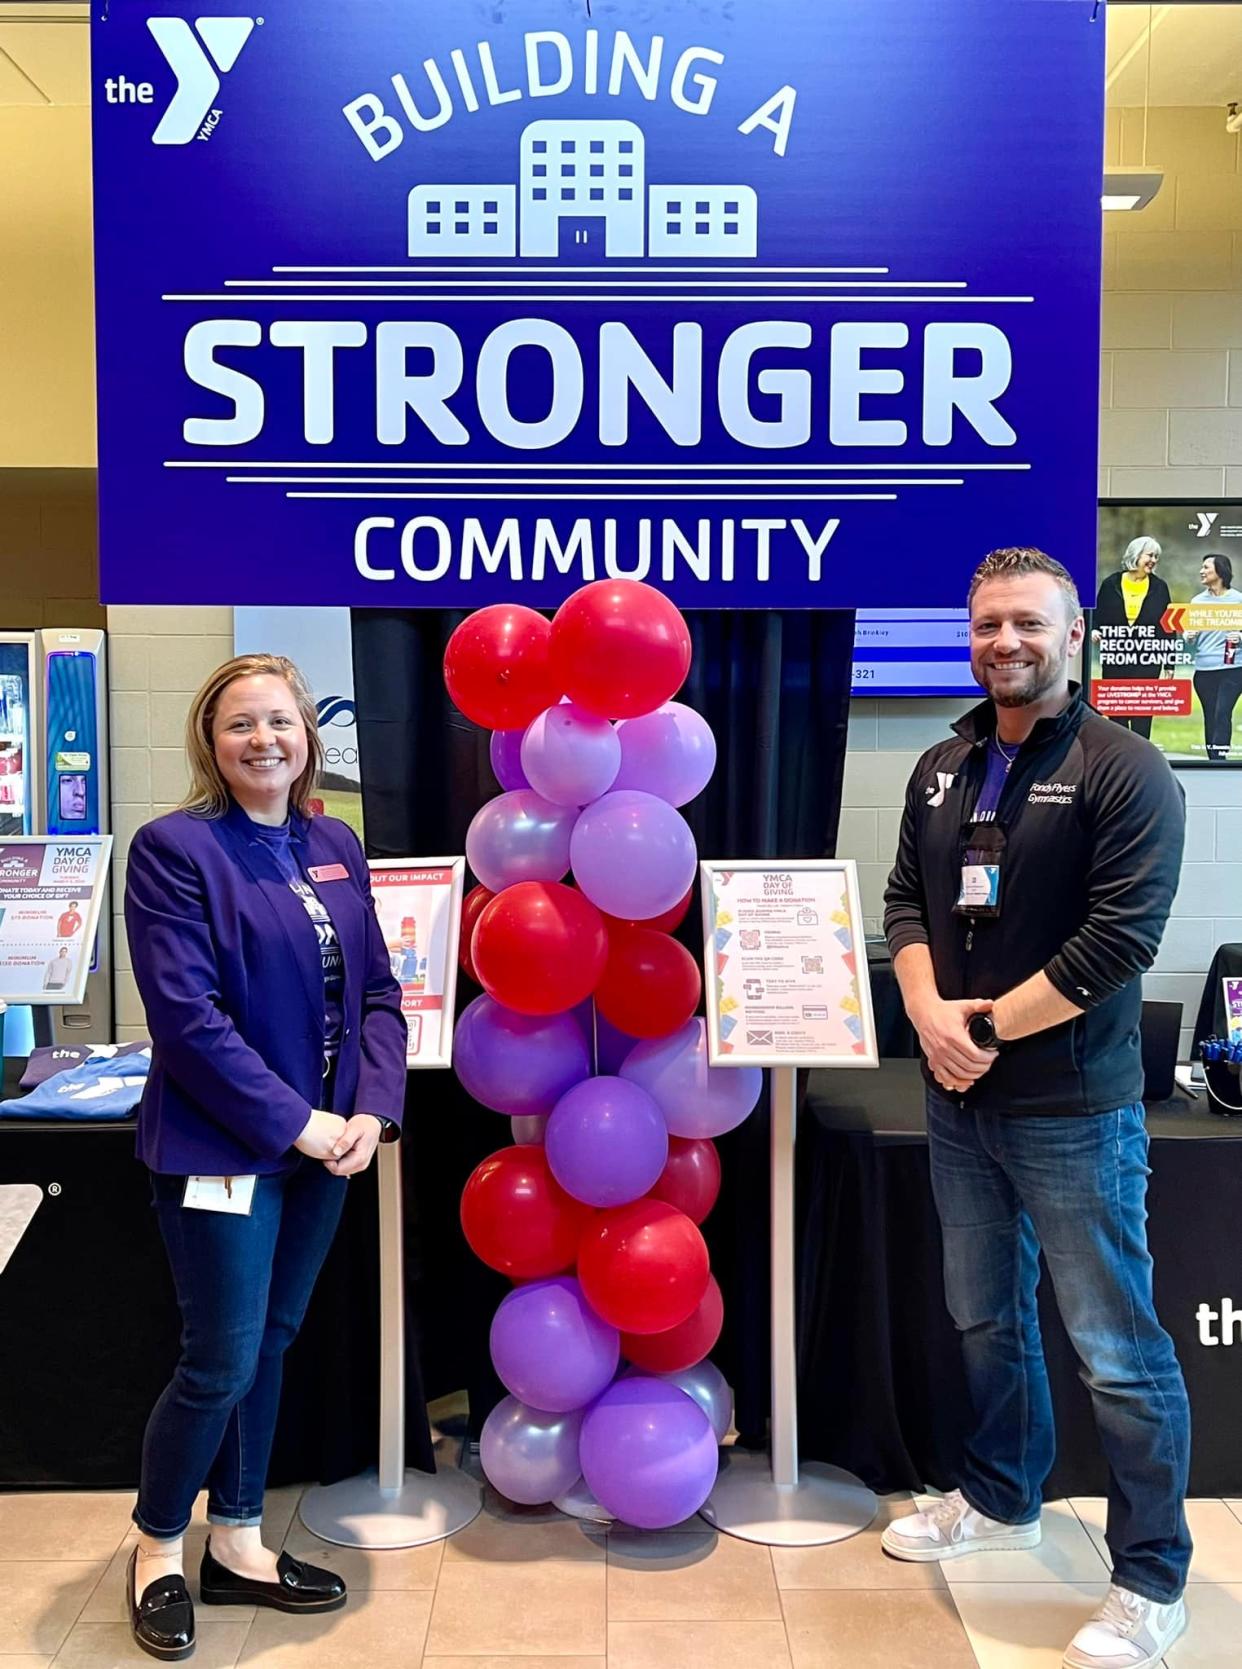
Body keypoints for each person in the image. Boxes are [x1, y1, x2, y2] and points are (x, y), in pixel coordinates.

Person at [881, 548, 1190, 1669]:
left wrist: (984, 1028)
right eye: (987, 625)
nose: (1004, 642)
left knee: (1116, 1348)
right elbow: (908, 900)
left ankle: (1153, 1580)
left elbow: (1120, 941)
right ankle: (1001, 1495)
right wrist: (926, 1012)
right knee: (986, 1317)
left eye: (1027, 624)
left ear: (1073, 635)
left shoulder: (1128, 769)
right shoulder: (942, 762)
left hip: (1071, 1108)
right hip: (959, 1100)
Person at [123, 653, 407, 1663]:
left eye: (279, 722)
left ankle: (237, 1540)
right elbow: (188, 1020)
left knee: (274, 1344)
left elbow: (377, 992)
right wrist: (300, 1122)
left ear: (308, 735)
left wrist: (371, 1110)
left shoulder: (333, 842)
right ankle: (158, 1547)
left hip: (327, 1145)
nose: (263, 741)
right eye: (240, 725)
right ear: (211, 741)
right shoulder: (173, 850)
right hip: (227, 1150)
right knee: (219, 1362)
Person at [1092, 535, 1174, 740]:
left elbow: (1168, 627)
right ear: (1136, 555)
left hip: (1147, 659)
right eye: (1150, 555)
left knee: (1142, 713)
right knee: (1117, 711)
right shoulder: (1111, 583)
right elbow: (1097, 614)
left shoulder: (1160, 587)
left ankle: (1142, 760)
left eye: (1156, 557)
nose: (1153, 560)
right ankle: (1119, 758)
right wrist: (1094, 630)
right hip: (1116, 658)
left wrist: (1169, 663)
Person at [1182, 553, 1242, 763]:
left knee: (1222, 712)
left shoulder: (1238, 600)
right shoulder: (1197, 601)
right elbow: (1188, 634)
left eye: (1206, 567)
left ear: (1220, 571)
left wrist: (1240, 636)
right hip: (1204, 670)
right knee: (1210, 715)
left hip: (1233, 668)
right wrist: (1188, 635)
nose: (1202, 571)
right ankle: (1212, 759)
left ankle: (1220, 758)